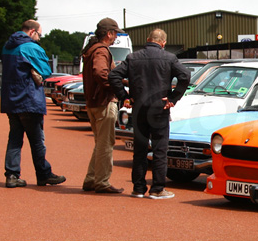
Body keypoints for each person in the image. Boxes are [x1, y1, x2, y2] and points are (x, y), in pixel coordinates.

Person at [108, 29, 190, 199]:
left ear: (148, 40)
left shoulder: (132, 57)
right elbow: (185, 75)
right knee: (160, 149)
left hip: (139, 107)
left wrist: (125, 96)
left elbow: (114, 75)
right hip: (159, 107)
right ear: (163, 43)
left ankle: (138, 188)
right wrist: (173, 98)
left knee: (140, 149)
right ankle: (157, 188)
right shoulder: (169, 58)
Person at [0, 20, 66, 188]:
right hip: (29, 100)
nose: (39, 38)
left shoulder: (7, 47)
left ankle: (12, 175)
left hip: (11, 100)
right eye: (39, 34)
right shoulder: (30, 47)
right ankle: (43, 174)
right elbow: (45, 70)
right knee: (37, 140)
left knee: (14, 138)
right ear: (32, 32)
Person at [81, 18, 125, 193]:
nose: (116, 38)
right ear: (109, 34)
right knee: (106, 144)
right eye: (115, 34)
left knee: (100, 143)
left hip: (93, 102)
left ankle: (92, 178)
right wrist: (115, 86)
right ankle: (102, 182)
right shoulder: (101, 51)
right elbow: (100, 72)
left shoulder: (91, 49)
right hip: (104, 102)